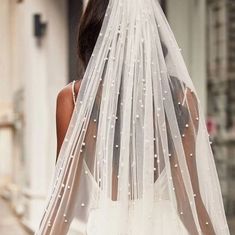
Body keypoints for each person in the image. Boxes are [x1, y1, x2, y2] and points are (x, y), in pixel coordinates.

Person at [35, 0, 231, 234]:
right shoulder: (181, 99)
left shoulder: (74, 100)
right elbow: (189, 204)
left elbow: (62, 205)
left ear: (94, 33)